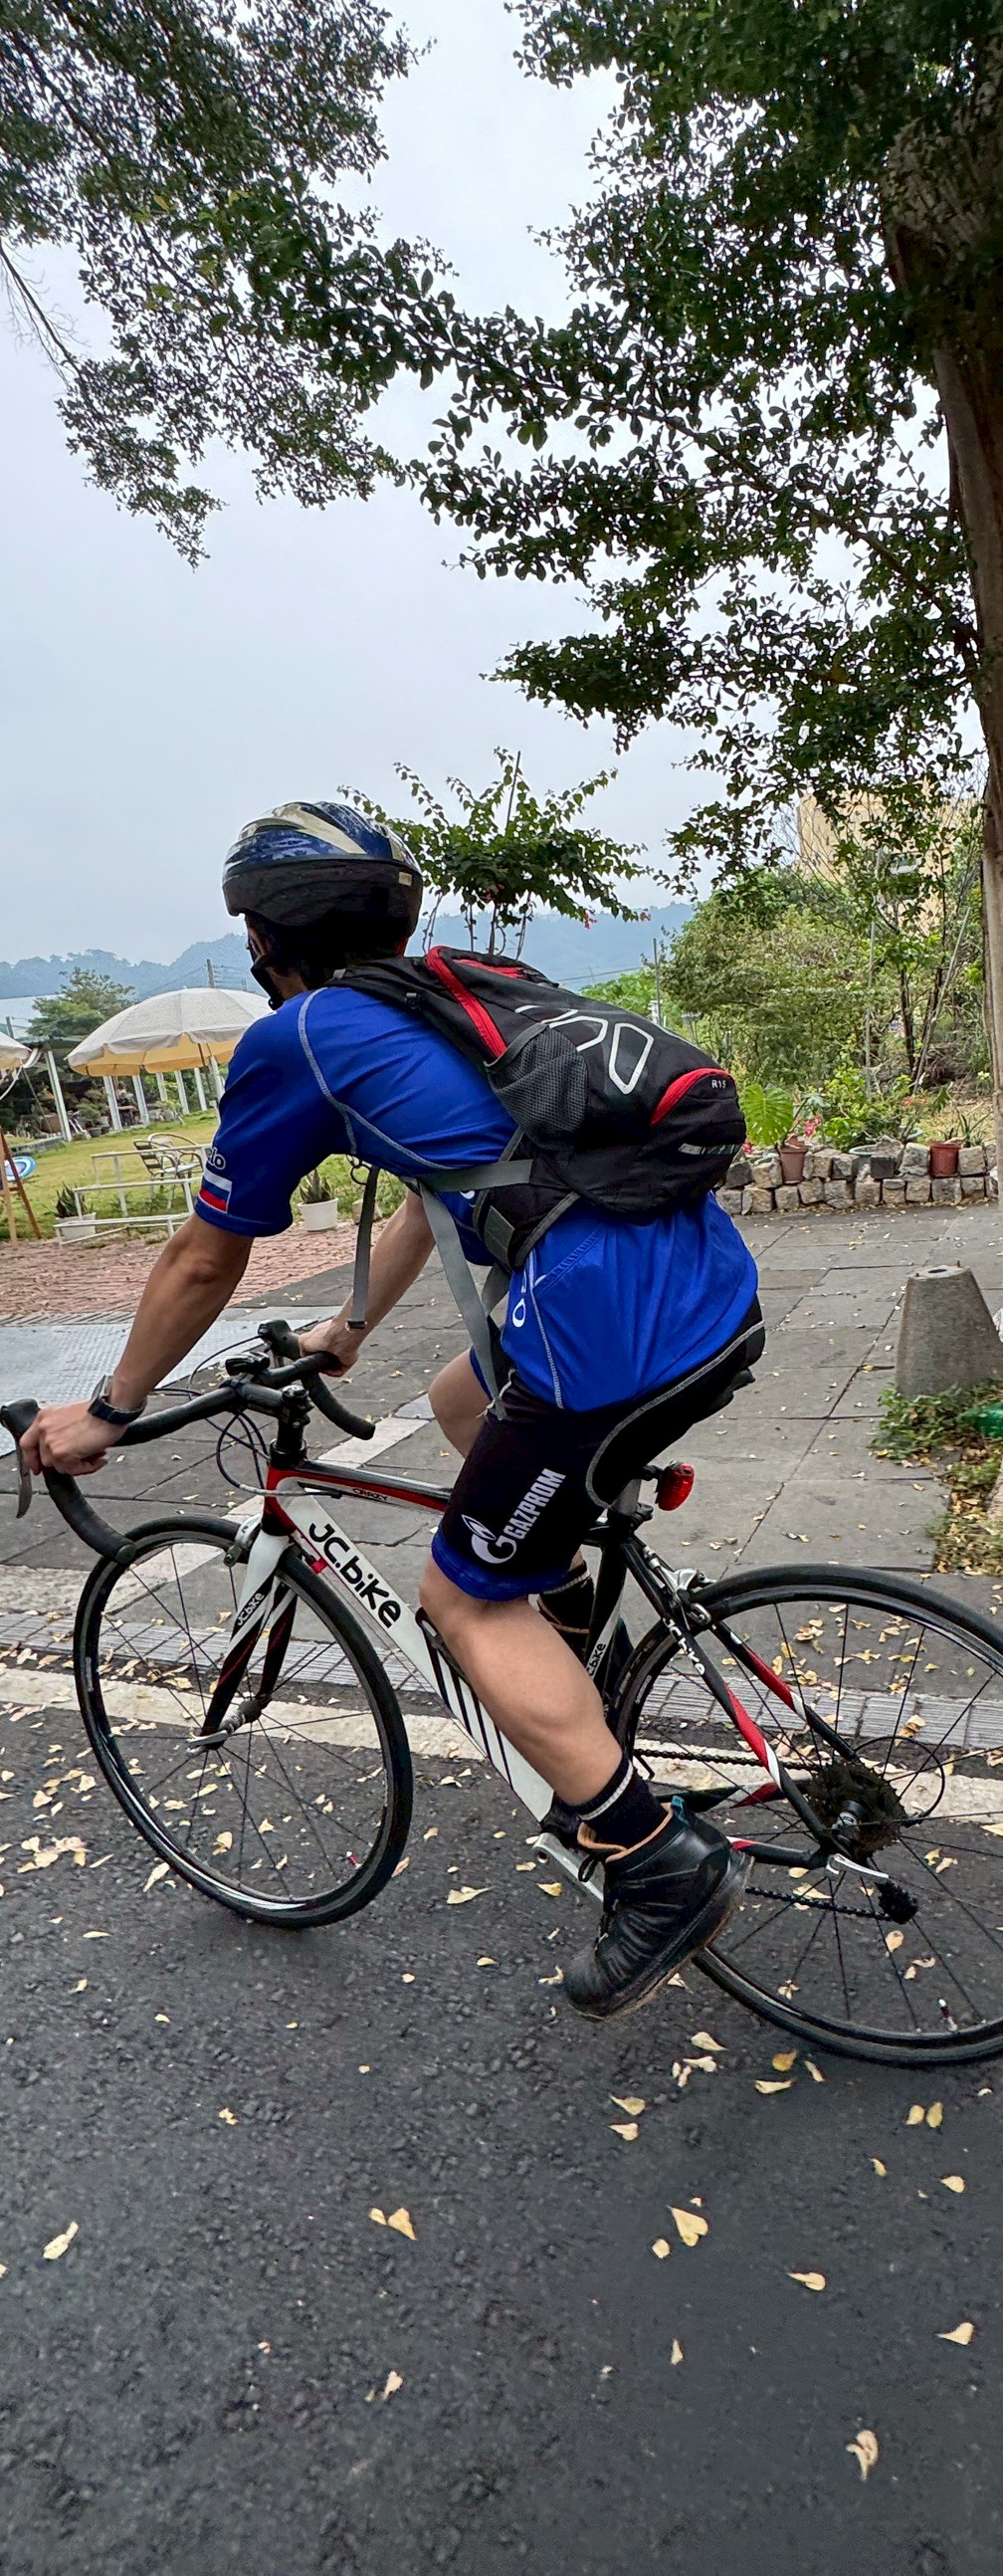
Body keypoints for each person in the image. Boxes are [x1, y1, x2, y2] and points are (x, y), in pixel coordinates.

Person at [22, 800, 762, 2018]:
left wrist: (109, 1407)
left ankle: (655, 1863)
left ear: (263, 938)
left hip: (603, 1329)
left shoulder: (302, 1036)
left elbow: (204, 1257)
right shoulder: (446, 996)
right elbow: (436, 1189)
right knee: (458, 1397)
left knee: (462, 1600)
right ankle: (568, 1623)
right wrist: (351, 1326)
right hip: (708, 1289)